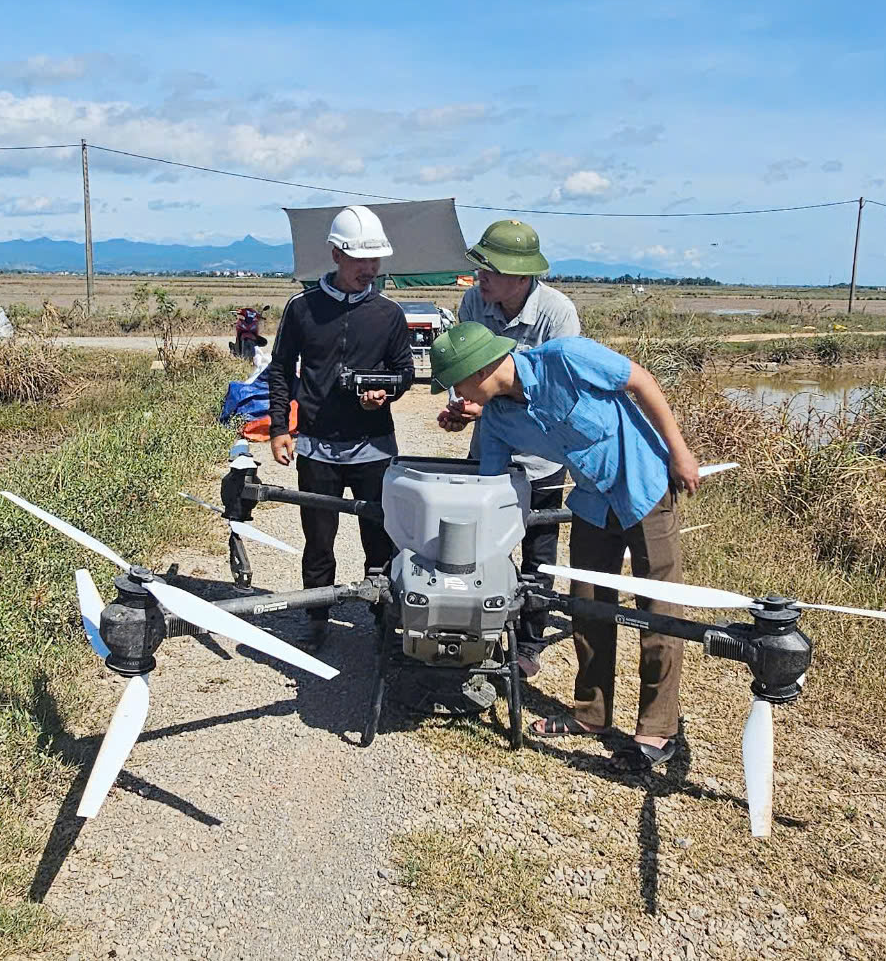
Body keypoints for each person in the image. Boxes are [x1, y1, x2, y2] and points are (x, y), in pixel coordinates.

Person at [429, 323, 702, 772]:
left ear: (476, 372)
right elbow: (493, 488)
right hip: (593, 502)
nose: (455, 396)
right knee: (587, 605)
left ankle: (657, 728)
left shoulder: (566, 358)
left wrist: (680, 451)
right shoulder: (496, 420)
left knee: (659, 610)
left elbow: (641, 381)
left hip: (644, 484)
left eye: (455, 384)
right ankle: (593, 714)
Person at [267, 205, 414, 651]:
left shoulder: (388, 314)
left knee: (382, 538)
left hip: (374, 449)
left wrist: (386, 393)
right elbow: (280, 369)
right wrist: (279, 427)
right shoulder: (302, 308)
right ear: (335, 255)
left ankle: (383, 617)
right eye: (359, 260)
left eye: (375, 261)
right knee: (318, 540)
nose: (369, 270)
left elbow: (404, 371)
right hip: (316, 446)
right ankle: (316, 616)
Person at [440, 219, 581, 677]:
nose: (479, 280)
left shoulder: (557, 315)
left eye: (489, 272)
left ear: (522, 278)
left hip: (540, 457)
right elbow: (468, 373)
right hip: (489, 451)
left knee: (538, 550)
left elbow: (560, 394)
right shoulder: (472, 303)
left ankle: (529, 642)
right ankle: (473, 626)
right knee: (477, 540)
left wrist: (494, 401)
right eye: (479, 270)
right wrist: (462, 409)